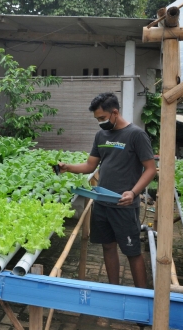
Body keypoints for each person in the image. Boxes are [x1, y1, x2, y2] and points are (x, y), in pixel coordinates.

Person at [58, 92, 156, 288]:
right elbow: (89, 166)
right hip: (102, 203)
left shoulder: (136, 135)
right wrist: (68, 167)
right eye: (97, 119)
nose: (100, 122)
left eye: (102, 118)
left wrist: (133, 192)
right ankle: (114, 291)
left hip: (124, 204)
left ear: (115, 113)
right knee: (108, 246)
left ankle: (142, 300)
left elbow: (150, 169)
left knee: (132, 252)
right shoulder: (101, 135)